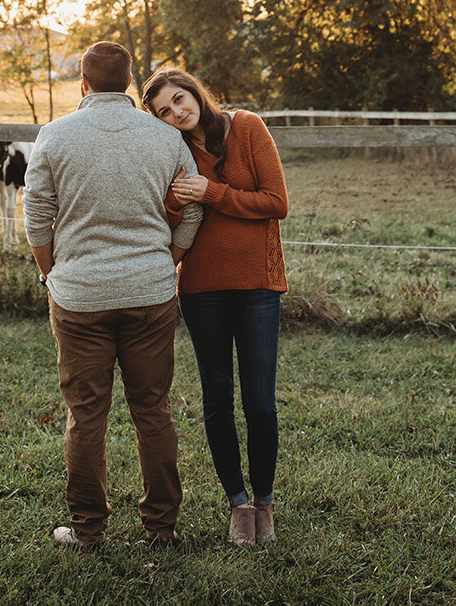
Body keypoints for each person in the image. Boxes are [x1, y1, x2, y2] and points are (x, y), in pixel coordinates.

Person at [24, 40, 204, 550]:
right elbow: (193, 204)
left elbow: (36, 215)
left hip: (79, 296)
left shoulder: (54, 136)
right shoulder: (165, 136)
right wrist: (170, 256)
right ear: (129, 83)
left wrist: (50, 272)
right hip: (149, 293)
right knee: (153, 410)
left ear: (83, 83)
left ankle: (88, 532)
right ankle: (162, 531)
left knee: (86, 415)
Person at [142, 68, 288, 549]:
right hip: (201, 290)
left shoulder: (247, 127)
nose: (176, 112)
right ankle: (239, 502)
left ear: (195, 93)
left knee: (261, 403)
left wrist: (212, 193)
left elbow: (276, 202)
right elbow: (166, 214)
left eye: (179, 99)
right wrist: (175, 202)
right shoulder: (172, 152)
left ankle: (265, 500)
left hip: (257, 286)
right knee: (217, 399)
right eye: (164, 111)